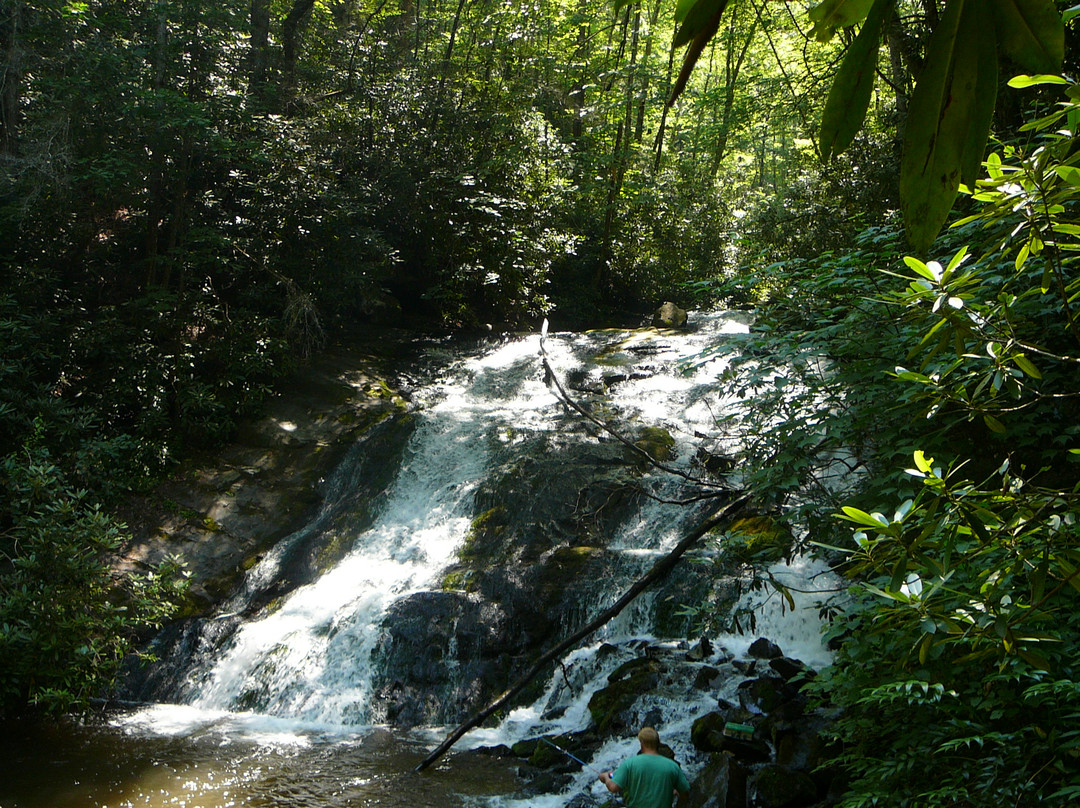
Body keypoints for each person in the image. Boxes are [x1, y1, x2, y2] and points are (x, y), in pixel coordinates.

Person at [598, 726, 690, 808]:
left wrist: (606, 777)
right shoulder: (672, 766)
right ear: (657, 743)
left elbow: (613, 788)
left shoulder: (630, 764)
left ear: (642, 743)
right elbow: (685, 794)